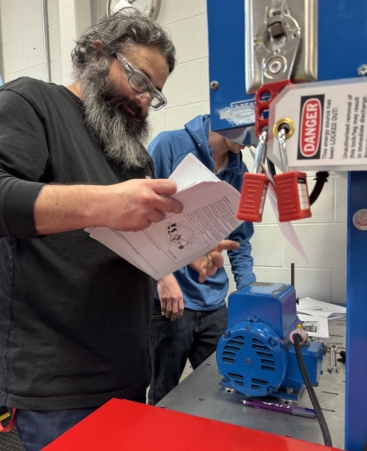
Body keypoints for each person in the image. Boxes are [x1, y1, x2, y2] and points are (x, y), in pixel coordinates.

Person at [0, 10, 238, 451]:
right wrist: (107, 204)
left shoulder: (132, 155)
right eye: (139, 81)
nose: (145, 100)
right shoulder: (33, 104)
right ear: (96, 54)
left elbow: (135, 246)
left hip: (129, 373)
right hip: (59, 389)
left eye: (156, 94)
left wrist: (187, 249)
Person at [148, 114, 256, 406]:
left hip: (214, 306)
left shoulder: (240, 171)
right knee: (165, 395)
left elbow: (240, 239)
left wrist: (249, 293)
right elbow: (141, 220)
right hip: (170, 302)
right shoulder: (168, 146)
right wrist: (163, 275)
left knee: (222, 393)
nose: (254, 143)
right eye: (255, 131)